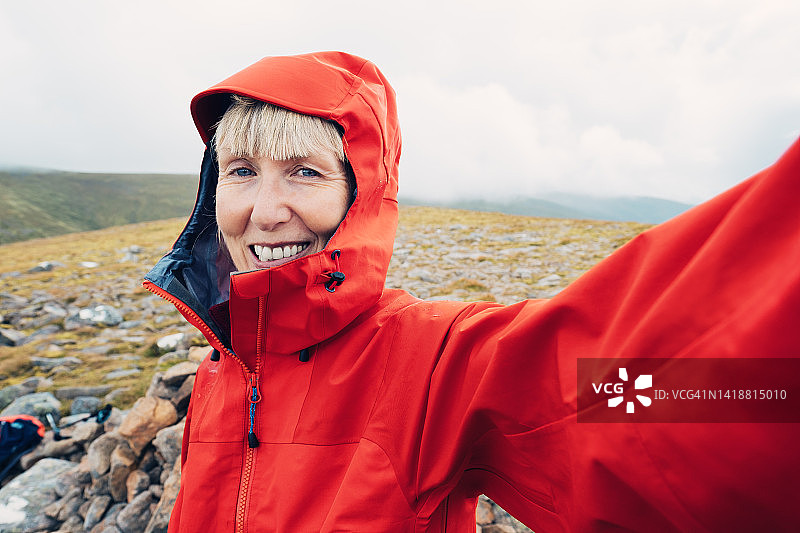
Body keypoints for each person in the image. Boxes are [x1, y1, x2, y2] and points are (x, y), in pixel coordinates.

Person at [144, 52, 800, 532]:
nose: (265, 209)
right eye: (240, 171)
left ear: (362, 194)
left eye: (305, 172)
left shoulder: (429, 358)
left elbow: (622, 391)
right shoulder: (221, 369)